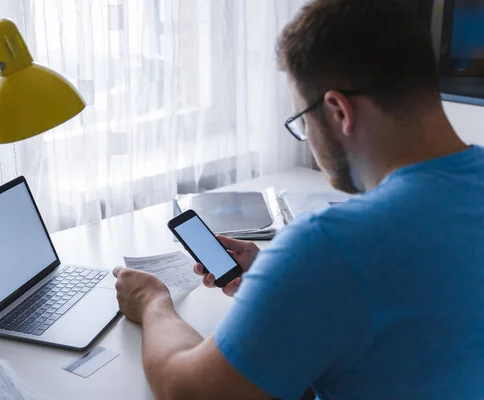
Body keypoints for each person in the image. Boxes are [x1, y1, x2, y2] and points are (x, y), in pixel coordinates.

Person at [112, 0, 484, 398]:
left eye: (301, 120)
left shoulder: (331, 246)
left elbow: (187, 391)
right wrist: (275, 277)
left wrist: (153, 302)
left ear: (339, 110)